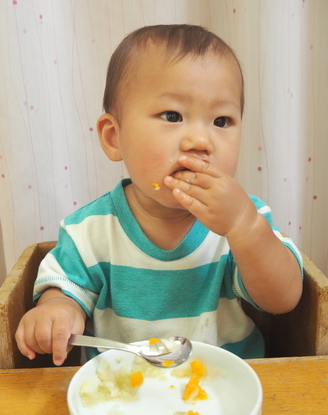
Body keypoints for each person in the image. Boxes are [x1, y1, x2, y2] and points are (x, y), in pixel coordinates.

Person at [16, 24, 303, 366]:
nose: (200, 141)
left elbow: (283, 299)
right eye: (172, 116)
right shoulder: (90, 230)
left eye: (222, 121)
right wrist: (56, 310)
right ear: (113, 137)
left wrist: (244, 226)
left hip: (222, 394)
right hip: (123, 396)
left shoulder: (243, 220)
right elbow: (64, 288)